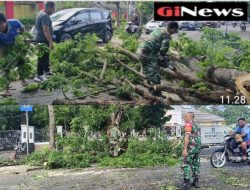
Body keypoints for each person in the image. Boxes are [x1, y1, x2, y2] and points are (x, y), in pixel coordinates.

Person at [137, 21, 179, 95]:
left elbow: (156, 44)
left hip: (140, 51)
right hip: (147, 54)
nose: (175, 32)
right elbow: (163, 50)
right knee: (155, 75)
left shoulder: (158, 29)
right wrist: (164, 59)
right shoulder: (166, 34)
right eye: (175, 30)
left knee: (150, 72)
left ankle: (150, 88)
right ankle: (157, 94)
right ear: (173, 28)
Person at [0, 13, 27, 90]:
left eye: (1, 24)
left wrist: (24, 37)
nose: (0, 27)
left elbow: (23, 29)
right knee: (5, 67)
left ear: (5, 21)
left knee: (21, 62)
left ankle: (23, 79)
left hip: (16, 45)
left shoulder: (15, 23)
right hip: (4, 47)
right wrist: (2, 58)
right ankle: (6, 88)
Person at [33, 1, 55, 82]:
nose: (54, 10)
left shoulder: (41, 13)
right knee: (42, 57)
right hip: (42, 39)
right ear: (49, 8)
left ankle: (47, 71)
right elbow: (45, 30)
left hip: (40, 39)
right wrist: (50, 42)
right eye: (53, 8)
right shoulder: (45, 15)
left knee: (45, 56)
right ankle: (39, 75)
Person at [181, 112, 201, 190]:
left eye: (186, 116)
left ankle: (187, 183)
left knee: (184, 163)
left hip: (191, 148)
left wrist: (185, 149)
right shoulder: (196, 125)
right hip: (197, 148)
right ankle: (196, 182)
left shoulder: (188, 124)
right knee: (195, 164)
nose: (184, 118)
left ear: (190, 117)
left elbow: (187, 136)